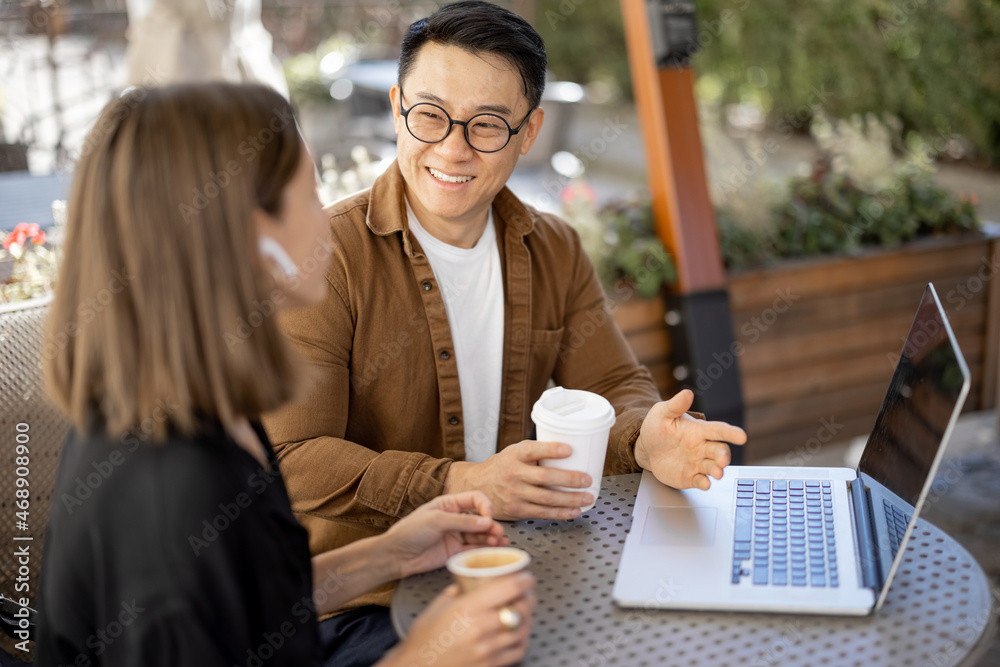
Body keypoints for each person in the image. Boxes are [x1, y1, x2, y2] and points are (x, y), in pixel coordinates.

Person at [263, 0, 746, 642]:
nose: (453, 149)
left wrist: (644, 439)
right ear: (397, 106)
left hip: (527, 559)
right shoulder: (324, 254)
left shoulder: (554, 248)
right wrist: (464, 482)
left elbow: (616, 386)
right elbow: (291, 458)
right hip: (367, 597)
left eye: (487, 125)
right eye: (430, 116)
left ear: (530, 131)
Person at [36, 82, 534, 667]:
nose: (326, 219)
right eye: (308, 195)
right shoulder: (171, 494)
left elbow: (250, 606)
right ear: (246, 234)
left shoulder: (205, 408)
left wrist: (389, 555)